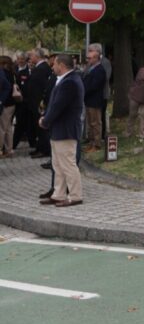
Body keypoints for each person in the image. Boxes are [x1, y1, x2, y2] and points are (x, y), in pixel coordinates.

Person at [39, 54, 85, 208]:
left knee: (67, 164)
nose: (52, 67)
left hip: (65, 129)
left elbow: (58, 106)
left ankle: (75, 196)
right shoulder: (67, 80)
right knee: (57, 165)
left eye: (54, 64)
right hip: (59, 128)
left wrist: (45, 121)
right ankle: (58, 194)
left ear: (61, 65)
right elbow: (54, 105)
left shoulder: (70, 82)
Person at [26, 48, 53, 158]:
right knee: (37, 127)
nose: (30, 58)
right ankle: (39, 147)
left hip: (39, 103)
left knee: (41, 127)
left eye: (31, 56)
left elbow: (43, 87)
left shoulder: (42, 68)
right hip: (35, 102)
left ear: (37, 56)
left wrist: (41, 103)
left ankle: (44, 149)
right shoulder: (39, 67)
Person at [82, 46, 106, 152]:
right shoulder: (91, 68)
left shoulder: (100, 70)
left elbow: (94, 85)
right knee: (90, 123)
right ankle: (91, 142)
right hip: (89, 100)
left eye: (89, 58)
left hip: (95, 100)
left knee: (95, 123)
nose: (88, 60)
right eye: (87, 58)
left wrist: (84, 89)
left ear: (96, 58)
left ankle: (97, 144)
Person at [12, 52, 32, 150]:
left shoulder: (29, 71)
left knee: (20, 123)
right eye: (19, 59)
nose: (20, 61)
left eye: (22, 59)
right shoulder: (13, 69)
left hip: (23, 102)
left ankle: (14, 144)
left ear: (25, 59)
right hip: (11, 101)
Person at [0, 56, 16, 157]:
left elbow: (6, 87)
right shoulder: (12, 73)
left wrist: (1, 101)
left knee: (2, 128)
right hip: (11, 103)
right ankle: (9, 149)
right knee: (8, 127)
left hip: (5, 104)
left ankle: (1, 150)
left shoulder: (4, 73)